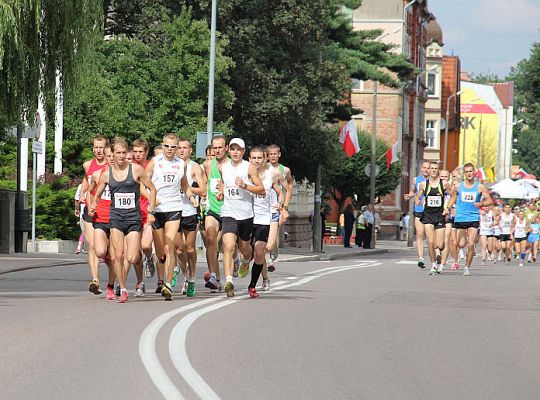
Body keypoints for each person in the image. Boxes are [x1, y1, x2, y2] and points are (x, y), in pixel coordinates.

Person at [89, 138, 157, 303]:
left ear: (128, 154)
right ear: (112, 154)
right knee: (117, 255)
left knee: (132, 257)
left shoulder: (136, 170)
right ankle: (123, 288)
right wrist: (92, 206)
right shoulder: (107, 174)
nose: (120, 156)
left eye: (123, 153)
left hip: (133, 218)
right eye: (117, 153)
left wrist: (151, 211)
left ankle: (145, 260)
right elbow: (97, 195)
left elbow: (152, 189)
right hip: (116, 218)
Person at [147, 133, 196, 300]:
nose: (169, 149)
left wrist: (191, 197)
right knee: (160, 252)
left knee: (169, 245)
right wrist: (151, 199)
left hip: (174, 208)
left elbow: (184, 185)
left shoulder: (180, 164)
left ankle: (168, 284)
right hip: (157, 209)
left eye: (173, 147)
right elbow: (142, 184)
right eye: (167, 146)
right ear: (163, 146)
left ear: (177, 148)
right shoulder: (155, 162)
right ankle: (162, 275)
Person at [218, 138, 265, 297]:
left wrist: (245, 185)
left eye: (238, 149)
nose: (235, 152)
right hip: (229, 213)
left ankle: (246, 261)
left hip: (246, 215)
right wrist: (221, 191)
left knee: (244, 249)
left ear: (243, 152)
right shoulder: (223, 167)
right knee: (229, 245)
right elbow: (223, 183)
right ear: (228, 151)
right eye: (232, 149)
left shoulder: (249, 167)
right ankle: (229, 281)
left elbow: (261, 189)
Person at [247, 146, 283, 297]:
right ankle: (243, 261)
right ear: (249, 159)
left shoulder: (272, 175)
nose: (256, 161)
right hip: (247, 216)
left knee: (260, 250)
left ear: (265, 158)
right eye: (253, 158)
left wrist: (280, 204)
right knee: (246, 251)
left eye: (259, 158)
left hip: (264, 218)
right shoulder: (245, 173)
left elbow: (281, 193)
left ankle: (253, 285)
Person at [174, 138, 207, 297]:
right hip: (173, 211)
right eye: (179, 148)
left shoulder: (194, 168)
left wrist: (187, 189)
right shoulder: (171, 167)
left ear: (190, 150)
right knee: (179, 249)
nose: (181, 151)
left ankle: (192, 278)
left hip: (189, 211)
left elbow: (203, 190)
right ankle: (185, 276)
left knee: (190, 248)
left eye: (184, 148)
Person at [447, 163, 492, 276]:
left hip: (473, 217)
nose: (469, 174)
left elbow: (490, 201)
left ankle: (467, 267)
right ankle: (460, 256)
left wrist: (481, 203)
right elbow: (453, 197)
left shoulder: (480, 187)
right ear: (464, 173)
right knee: (460, 243)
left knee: (470, 244)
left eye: (470, 171)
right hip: (460, 217)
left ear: (474, 172)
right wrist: (448, 207)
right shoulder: (458, 186)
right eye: (466, 172)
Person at [81, 135, 109, 294]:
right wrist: (80, 198)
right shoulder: (87, 165)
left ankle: (113, 279)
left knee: (105, 250)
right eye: (95, 147)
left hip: (107, 211)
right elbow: (87, 180)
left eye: (101, 147)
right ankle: (95, 280)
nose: (98, 150)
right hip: (90, 209)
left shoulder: (110, 165)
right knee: (91, 245)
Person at [201, 135, 229, 292]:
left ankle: (235, 258)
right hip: (212, 209)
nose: (217, 150)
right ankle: (214, 277)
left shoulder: (233, 165)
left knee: (226, 245)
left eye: (220, 147)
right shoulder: (206, 165)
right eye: (214, 148)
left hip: (230, 210)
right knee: (210, 240)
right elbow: (202, 185)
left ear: (226, 148)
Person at [414, 162, 452, 274]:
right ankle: (433, 265)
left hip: (439, 215)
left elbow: (453, 195)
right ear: (429, 170)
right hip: (428, 215)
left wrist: (448, 208)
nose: (434, 170)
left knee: (440, 244)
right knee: (430, 241)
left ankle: (439, 253)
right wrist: (417, 200)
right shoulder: (423, 184)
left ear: (438, 171)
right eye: (432, 168)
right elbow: (418, 195)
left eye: (436, 168)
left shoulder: (444, 184)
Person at [266, 144, 294, 272]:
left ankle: (272, 257)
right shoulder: (262, 167)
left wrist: (285, 206)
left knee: (275, 229)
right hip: (263, 204)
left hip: (277, 205)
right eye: (270, 154)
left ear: (279, 154)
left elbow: (289, 186)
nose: (272, 156)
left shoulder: (284, 170)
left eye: (275, 154)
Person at [404, 160, 430, 268]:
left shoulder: (434, 180)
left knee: (430, 236)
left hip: (430, 211)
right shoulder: (416, 180)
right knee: (420, 234)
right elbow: (412, 191)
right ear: (421, 169)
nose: (426, 170)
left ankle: (436, 255)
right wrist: (409, 196)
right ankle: (421, 258)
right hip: (419, 210)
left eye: (428, 168)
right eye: (424, 168)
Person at [74, 182, 85, 254]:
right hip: (96, 210)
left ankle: (79, 246)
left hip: (83, 211)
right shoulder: (98, 183)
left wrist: (77, 209)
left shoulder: (81, 186)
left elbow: (76, 199)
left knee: (84, 231)